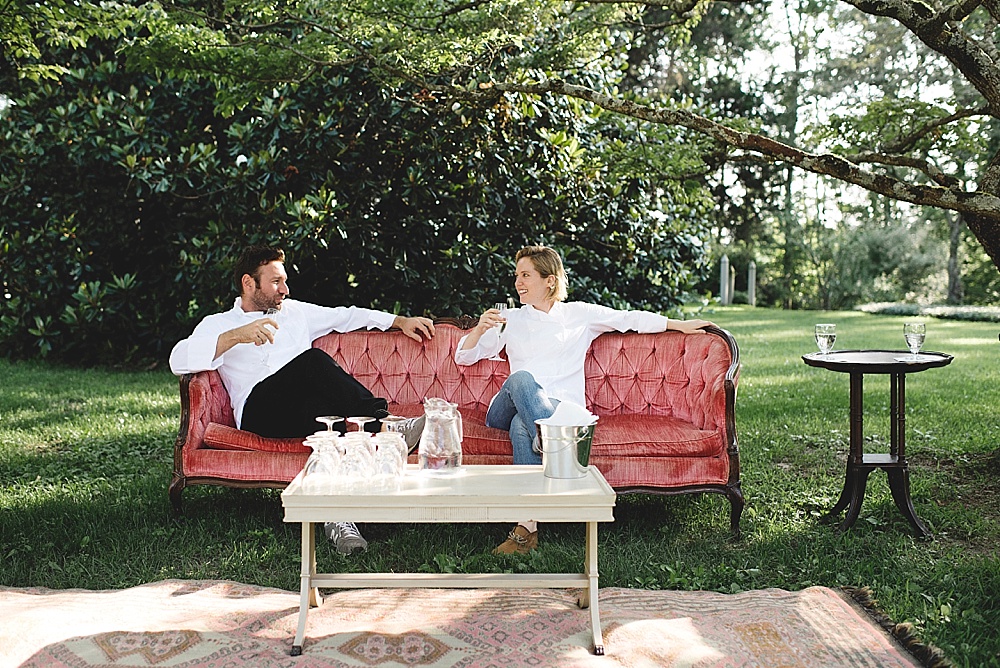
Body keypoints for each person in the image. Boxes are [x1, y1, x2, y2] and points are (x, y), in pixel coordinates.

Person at [170, 245, 434, 555]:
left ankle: (339, 521)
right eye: (275, 282)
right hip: (259, 412)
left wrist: (399, 321)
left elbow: (347, 316)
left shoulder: (295, 312)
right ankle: (385, 425)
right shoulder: (218, 324)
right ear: (248, 283)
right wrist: (237, 336)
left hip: (300, 411)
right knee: (312, 362)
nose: (285, 289)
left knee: (327, 418)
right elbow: (178, 359)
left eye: (284, 281)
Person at [455, 245, 713, 554]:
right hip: (508, 406)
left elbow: (627, 318)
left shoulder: (579, 315)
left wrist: (677, 324)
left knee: (520, 428)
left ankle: (527, 529)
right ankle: (550, 441)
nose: (517, 283)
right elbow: (465, 356)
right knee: (522, 379)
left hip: (560, 409)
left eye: (525, 275)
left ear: (549, 281)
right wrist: (480, 329)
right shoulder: (510, 318)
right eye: (516, 276)